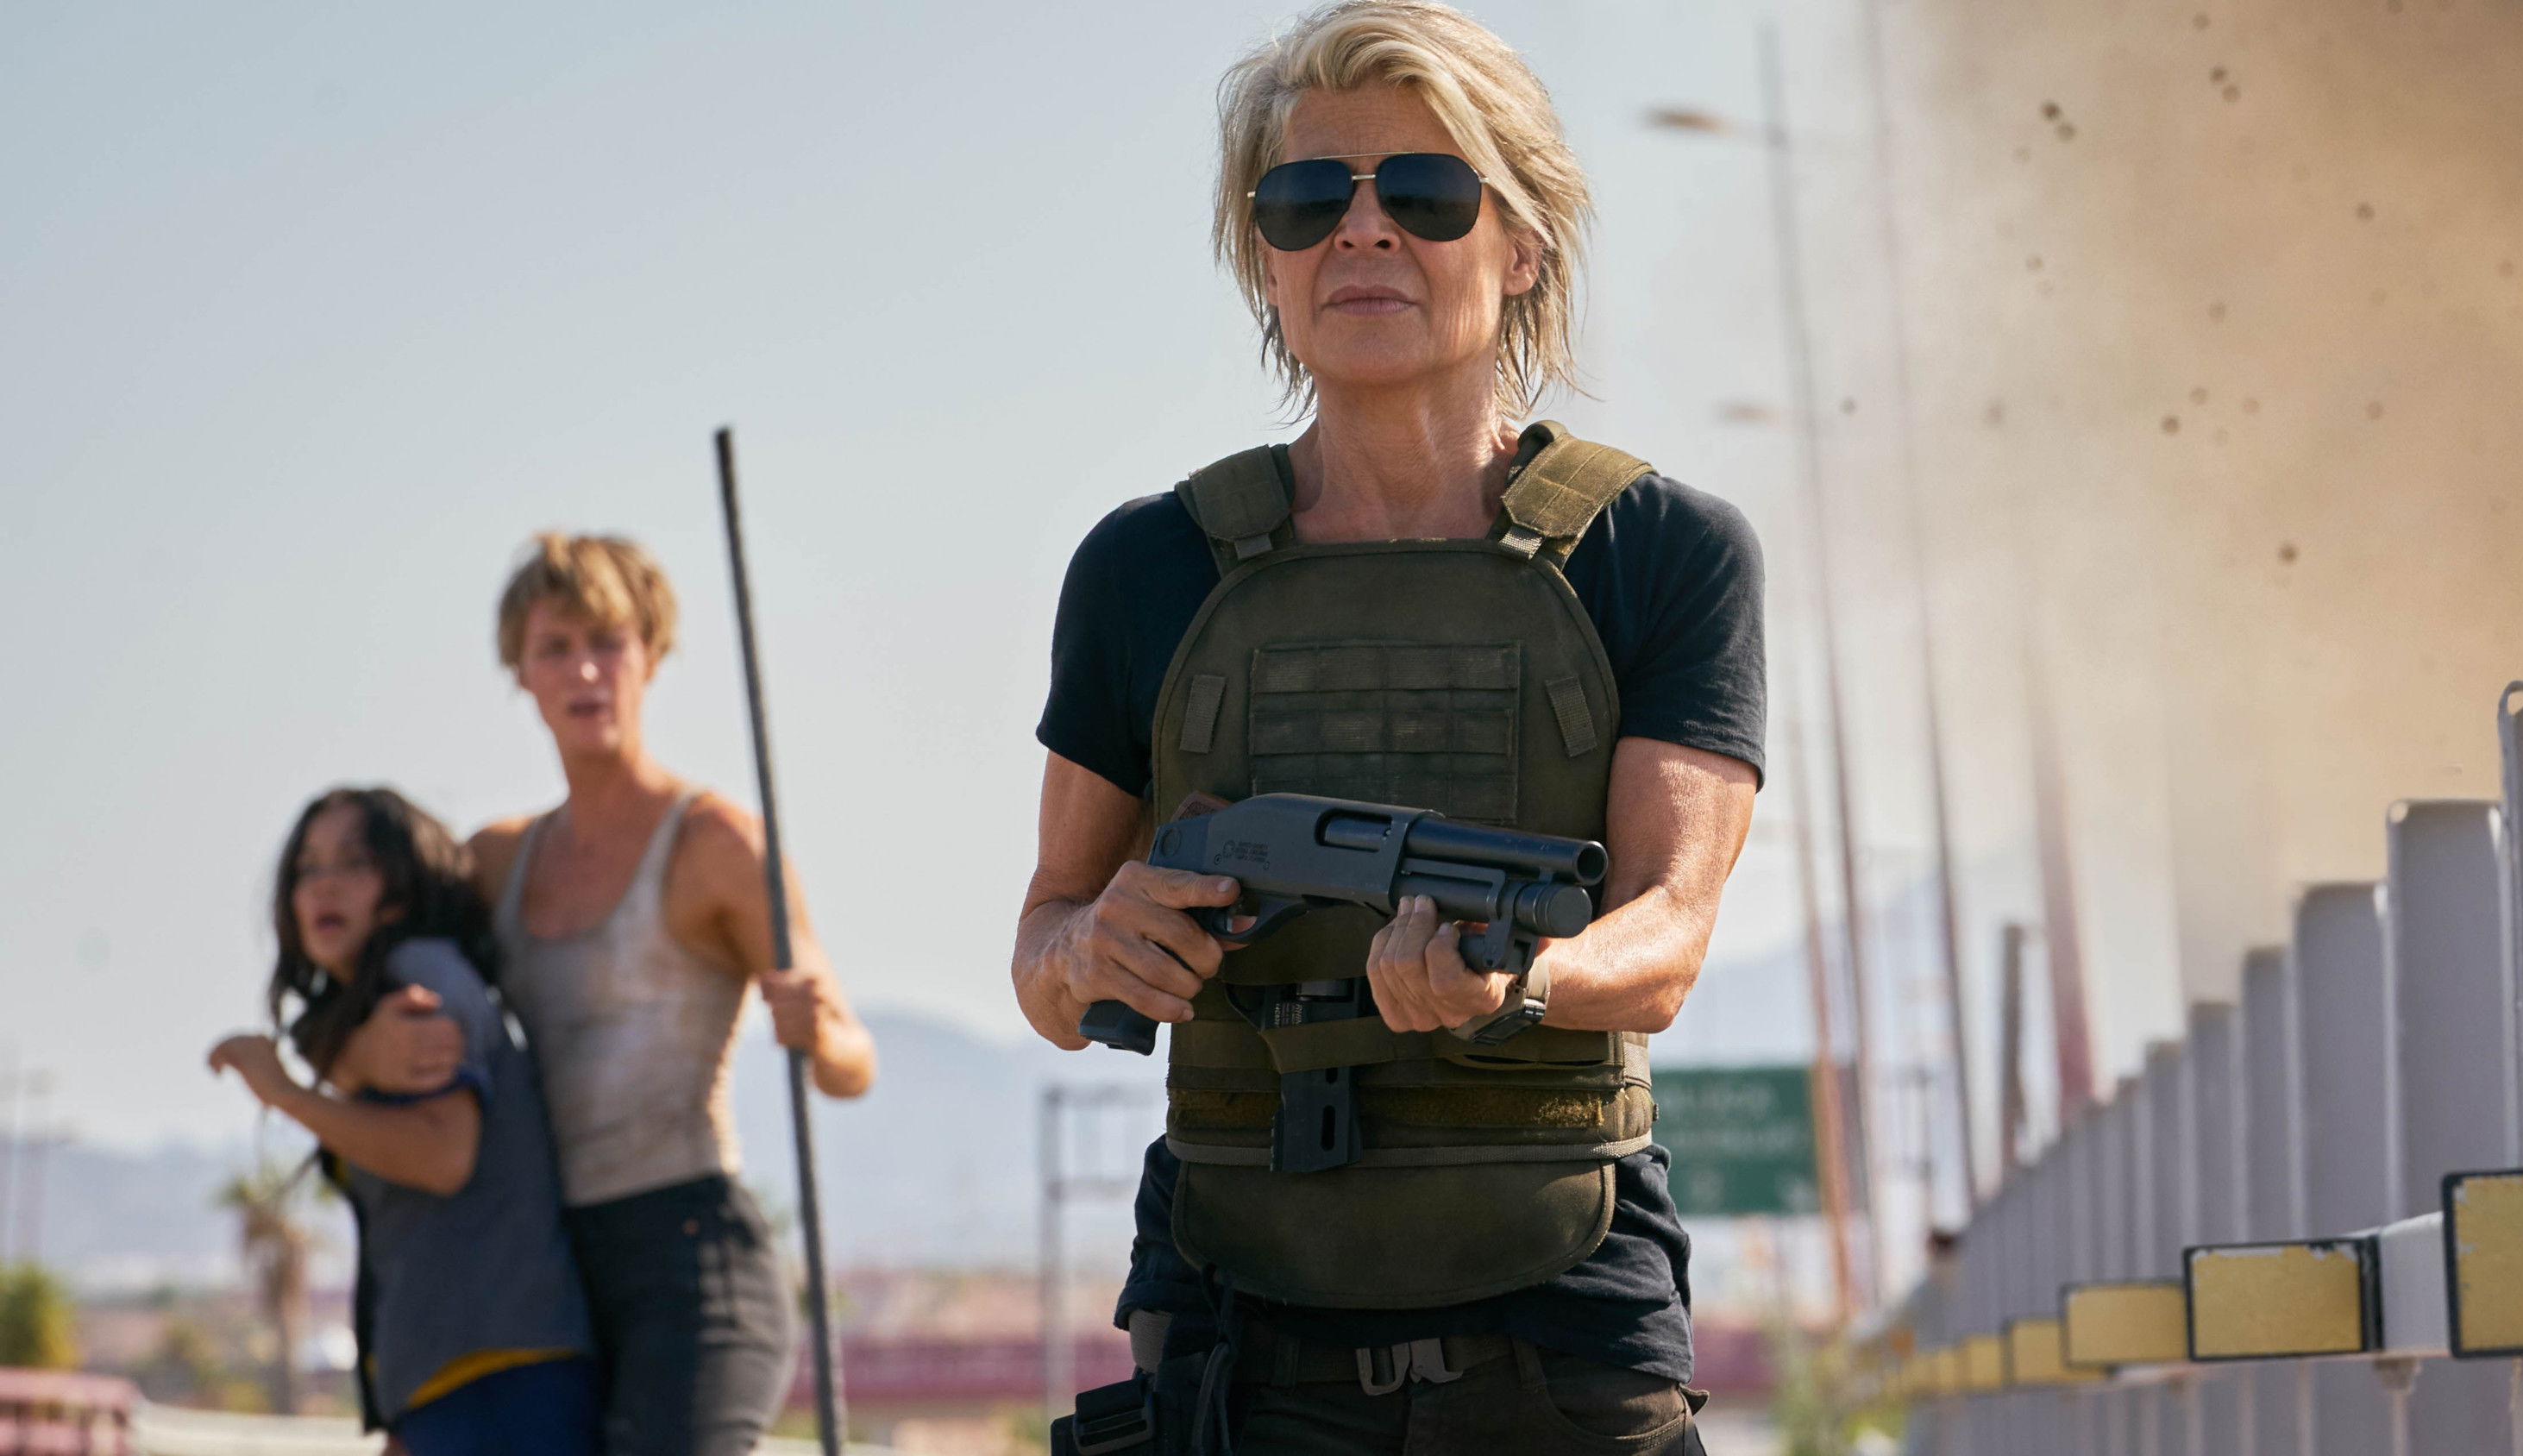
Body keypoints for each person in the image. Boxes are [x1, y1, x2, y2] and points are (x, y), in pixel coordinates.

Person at [1012, 3, 1766, 1452]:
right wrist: (1094, 949)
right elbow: (1047, 941)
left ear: (1521, 244)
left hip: (1559, 1307)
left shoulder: (1658, 551)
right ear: (1267, 259)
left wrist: (1517, 980)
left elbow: (1666, 934)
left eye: (1424, 192)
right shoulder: (1148, 566)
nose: (1362, 230)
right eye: (1309, 199)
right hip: (1237, 1319)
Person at [342, 532, 879, 1456]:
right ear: (520, 672)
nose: (585, 670)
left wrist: (820, 1032)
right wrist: (358, 1048)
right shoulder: (494, 861)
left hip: (695, 1260)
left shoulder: (716, 842)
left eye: (608, 641)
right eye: (555, 647)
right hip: (547, 1275)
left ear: (652, 655)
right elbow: (369, 975)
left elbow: (852, 1062)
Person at [209, 787, 598, 1456]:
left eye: (355, 862)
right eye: (307, 867)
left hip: (501, 1381)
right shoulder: (370, 1002)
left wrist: (288, 1095)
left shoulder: (421, 974)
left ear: (402, 888)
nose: (325, 885)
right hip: (458, 1383)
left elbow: (442, 1158)